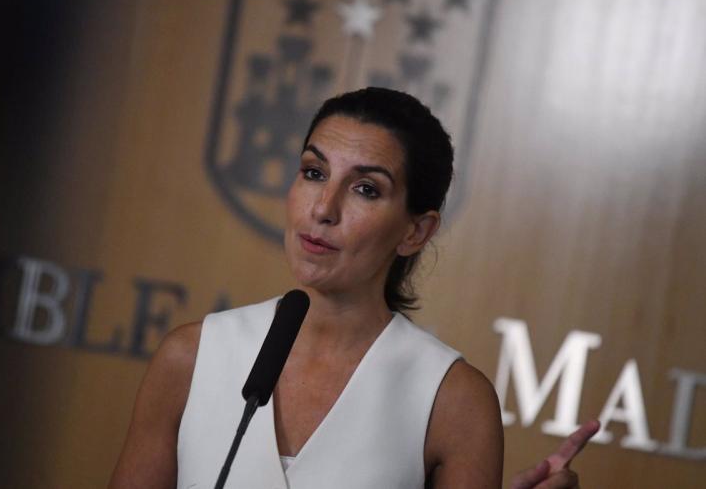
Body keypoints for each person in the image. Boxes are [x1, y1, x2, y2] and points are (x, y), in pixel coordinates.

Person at [110, 87, 598, 488]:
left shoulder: (453, 400)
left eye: (366, 188)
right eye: (314, 173)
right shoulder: (189, 358)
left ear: (416, 231)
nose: (323, 208)